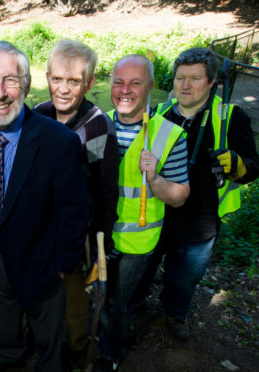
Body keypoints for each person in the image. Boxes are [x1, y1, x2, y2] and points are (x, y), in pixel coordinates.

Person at [0, 40, 89, 372]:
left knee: (48, 331)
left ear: (27, 84)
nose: (0, 92)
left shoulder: (58, 141)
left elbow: (74, 211)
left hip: (42, 259)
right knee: (2, 319)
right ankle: (10, 360)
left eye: (10, 79)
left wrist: (63, 264)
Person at [132, 48, 259, 341]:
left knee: (183, 278)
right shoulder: (157, 114)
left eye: (194, 79)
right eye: (180, 78)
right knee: (143, 267)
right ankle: (134, 303)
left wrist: (238, 165)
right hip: (157, 213)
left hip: (200, 221)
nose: (185, 86)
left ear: (212, 82)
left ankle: (175, 314)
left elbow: (253, 168)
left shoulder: (230, 117)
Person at [95, 55, 190, 372]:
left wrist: (155, 179)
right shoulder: (98, 124)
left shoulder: (167, 136)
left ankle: (110, 354)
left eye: (135, 83)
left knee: (117, 302)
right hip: (98, 236)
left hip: (138, 240)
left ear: (151, 87)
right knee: (98, 296)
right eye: (118, 82)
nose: (125, 90)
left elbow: (178, 197)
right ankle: (99, 338)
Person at [34, 39, 119, 369]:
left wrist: (101, 243)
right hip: (39, 230)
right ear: (47, 78)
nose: (64, 89)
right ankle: (43, 342)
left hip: (74, 236)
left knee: (73, 304)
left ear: (89, 83)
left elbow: (104, 189)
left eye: (74, 81)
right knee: (41, 296)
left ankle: (75, 348)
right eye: (57, 79)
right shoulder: (38, 115)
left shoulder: (98, 128)